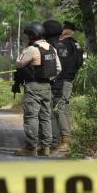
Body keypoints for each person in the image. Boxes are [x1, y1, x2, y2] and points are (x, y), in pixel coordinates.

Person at [13, 22, 61, 156]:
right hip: (47, 87)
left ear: (32, 35)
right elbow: (58, 68)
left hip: (33, 85)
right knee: (46, 116)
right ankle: (45, 147)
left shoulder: (32, 49)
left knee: (31, 117)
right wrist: (48, 79)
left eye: (29, 35)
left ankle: (31, 146)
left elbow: (19, 63)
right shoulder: (51, 48)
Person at [44, 19, 84, 158]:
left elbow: (60, 65)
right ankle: (64, 140)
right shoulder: (76, 44)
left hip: (62, 80)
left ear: (65, 30)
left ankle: (64, 141)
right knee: (64, 109)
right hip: (70, 80)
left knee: (59, 109)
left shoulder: (63, 45)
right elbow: (79, 64)